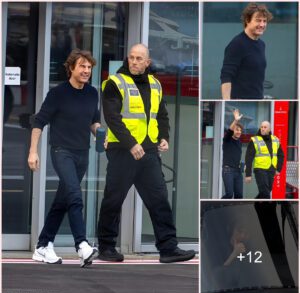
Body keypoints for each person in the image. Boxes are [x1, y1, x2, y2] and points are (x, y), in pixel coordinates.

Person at [97, 43, 196, 263]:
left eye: (138, 58)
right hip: (123, 151)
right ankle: (106, 247)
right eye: (131, 57)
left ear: (147, 62)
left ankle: (168, 248)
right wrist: (131, 144)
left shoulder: (155, 84)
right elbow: (112, 118)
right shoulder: (115, 83)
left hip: (149, 152)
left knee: (159, 199)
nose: (133, 61)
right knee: (113, 200)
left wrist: (164, 137)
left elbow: (161, 114)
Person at [28, 49, 100, 267]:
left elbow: (93, 122)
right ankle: (82, 245)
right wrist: (33, 151)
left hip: (82, 153)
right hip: (62, 152)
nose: (86, 71)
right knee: (75, 196)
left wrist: (102, 136)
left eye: (89, 67)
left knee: (62, 201)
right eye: (82, 66)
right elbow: (39, 122)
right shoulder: (58, 93)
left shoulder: (92, 93)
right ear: (71, 68)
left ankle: (42, 246)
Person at [220, 3, 273, 99]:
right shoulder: (237, 44)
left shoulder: (261, 44)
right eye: (258, 20)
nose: (262, 24)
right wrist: (227, 101)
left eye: (264, 21)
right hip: (239, 99)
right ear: (247, 20)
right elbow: (226, 77)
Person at [245, 121, 284, 198]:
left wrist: (278, 169)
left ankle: (255, 204)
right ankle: (267, 209)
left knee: (266, 191)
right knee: (266, 193)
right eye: (261, 127)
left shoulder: (275, 139)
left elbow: (281, 155)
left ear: (269, 129)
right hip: (260, 169)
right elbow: (248, 158)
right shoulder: (254, 140)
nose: (262, 129)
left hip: (271, 169)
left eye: (265, 127)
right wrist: (248, 174)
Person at [222, 109, 243, 198]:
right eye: (236, 130)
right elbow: (230, 130)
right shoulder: (227, 140)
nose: (238, 132)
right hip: (228, 171)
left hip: (238, 172)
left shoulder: (239, 142)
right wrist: (236, 120)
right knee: (229, 194)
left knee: (239, 195)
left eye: (240, 130)